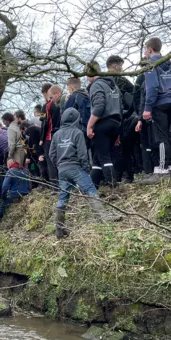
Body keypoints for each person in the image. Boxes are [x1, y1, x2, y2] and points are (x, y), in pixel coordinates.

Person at [50, 109, 121, 239]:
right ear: (76, 120)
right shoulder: (77, 133)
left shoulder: (56, 135)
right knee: (90, 189)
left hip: (62, 170)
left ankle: (59, 228)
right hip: (76, 168)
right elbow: (83, 153)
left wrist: (60, 165)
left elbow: (52, 154)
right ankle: (105, 218)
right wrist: (85, 167)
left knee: (63, 198)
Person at [139, 37, 171, 184]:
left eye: (145, 49)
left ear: (150, 50)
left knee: (160, 138)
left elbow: (152, 87)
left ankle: (162, 171)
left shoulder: (151, 64)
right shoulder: (169, 63)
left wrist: (147, 107)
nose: (145, 52)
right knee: (166, 136)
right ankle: (169, 168)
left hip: (158, 104)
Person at [87, 62, 122, 188]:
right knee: (97, 158)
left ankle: (114, 187)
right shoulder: (114, 86)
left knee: (104, 157)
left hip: (102, 124)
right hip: (115, 123)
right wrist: (118, 132)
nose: (86, 79)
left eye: (87, 75)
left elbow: (99, 106)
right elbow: (120, 108)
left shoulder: (96, 85)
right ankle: (93, 187)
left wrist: (89, 126)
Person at [106, 55, 137, 183]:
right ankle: (127, 175)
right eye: (121, 65)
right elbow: (135, 93)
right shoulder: (120, 80)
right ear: (115, 66)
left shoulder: (101, 80)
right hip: (122, 118)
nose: (122, 68)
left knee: (116, 149)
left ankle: (119, 176)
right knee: (124, 148)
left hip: (109, 119)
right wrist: (130, 112)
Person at [0, 159, 30, 228]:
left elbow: (5, 186)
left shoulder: (11, 171)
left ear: (9, 165)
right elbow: (29, 184)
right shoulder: (25, 171)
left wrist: (4, 196)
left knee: (1, 208)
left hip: (15, 194)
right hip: (26, 194)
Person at [40, 84, 62, 185]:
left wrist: (41, 138)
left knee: (50, 161)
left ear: (46, 93)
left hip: (49, 136)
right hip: (61, 134)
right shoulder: (60, 104)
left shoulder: (46, 106)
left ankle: (55, 186)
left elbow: (44, 123)